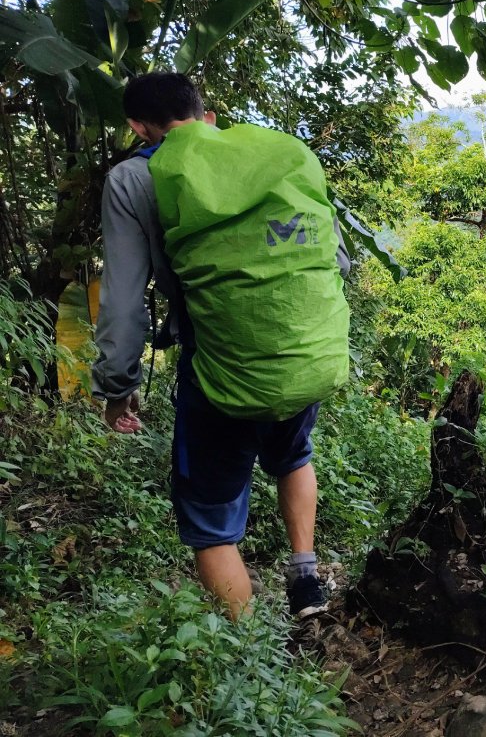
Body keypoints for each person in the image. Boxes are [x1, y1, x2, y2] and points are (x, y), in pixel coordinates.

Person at [92, 72, 350, 620]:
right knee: (293, 455)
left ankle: (253, 653)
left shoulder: (133, 179)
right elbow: (337, 259)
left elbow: (122, 302)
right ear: (205, 115)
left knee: (211, 522)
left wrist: (119, 385)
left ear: (138, 127)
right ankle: (306, 578)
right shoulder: (268, 156)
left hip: (220, 372)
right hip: (306, 355)